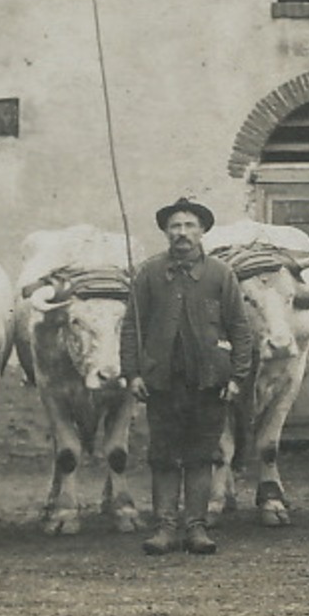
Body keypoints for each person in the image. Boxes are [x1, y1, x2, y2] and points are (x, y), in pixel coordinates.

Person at [123, 198, 253, 556]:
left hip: (208, 381)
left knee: (201, 454)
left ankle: (196, 527)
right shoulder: (149, 274)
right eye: (175, 227)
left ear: (202, 231)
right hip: (161, 382)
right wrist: (132, 373)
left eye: (189, 226)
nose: (182, 233)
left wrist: (237, 376)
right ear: (166, 232)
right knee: (163, 455)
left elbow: (240, 329)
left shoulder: (220, 275)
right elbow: (132, 329)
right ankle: (165, 527)